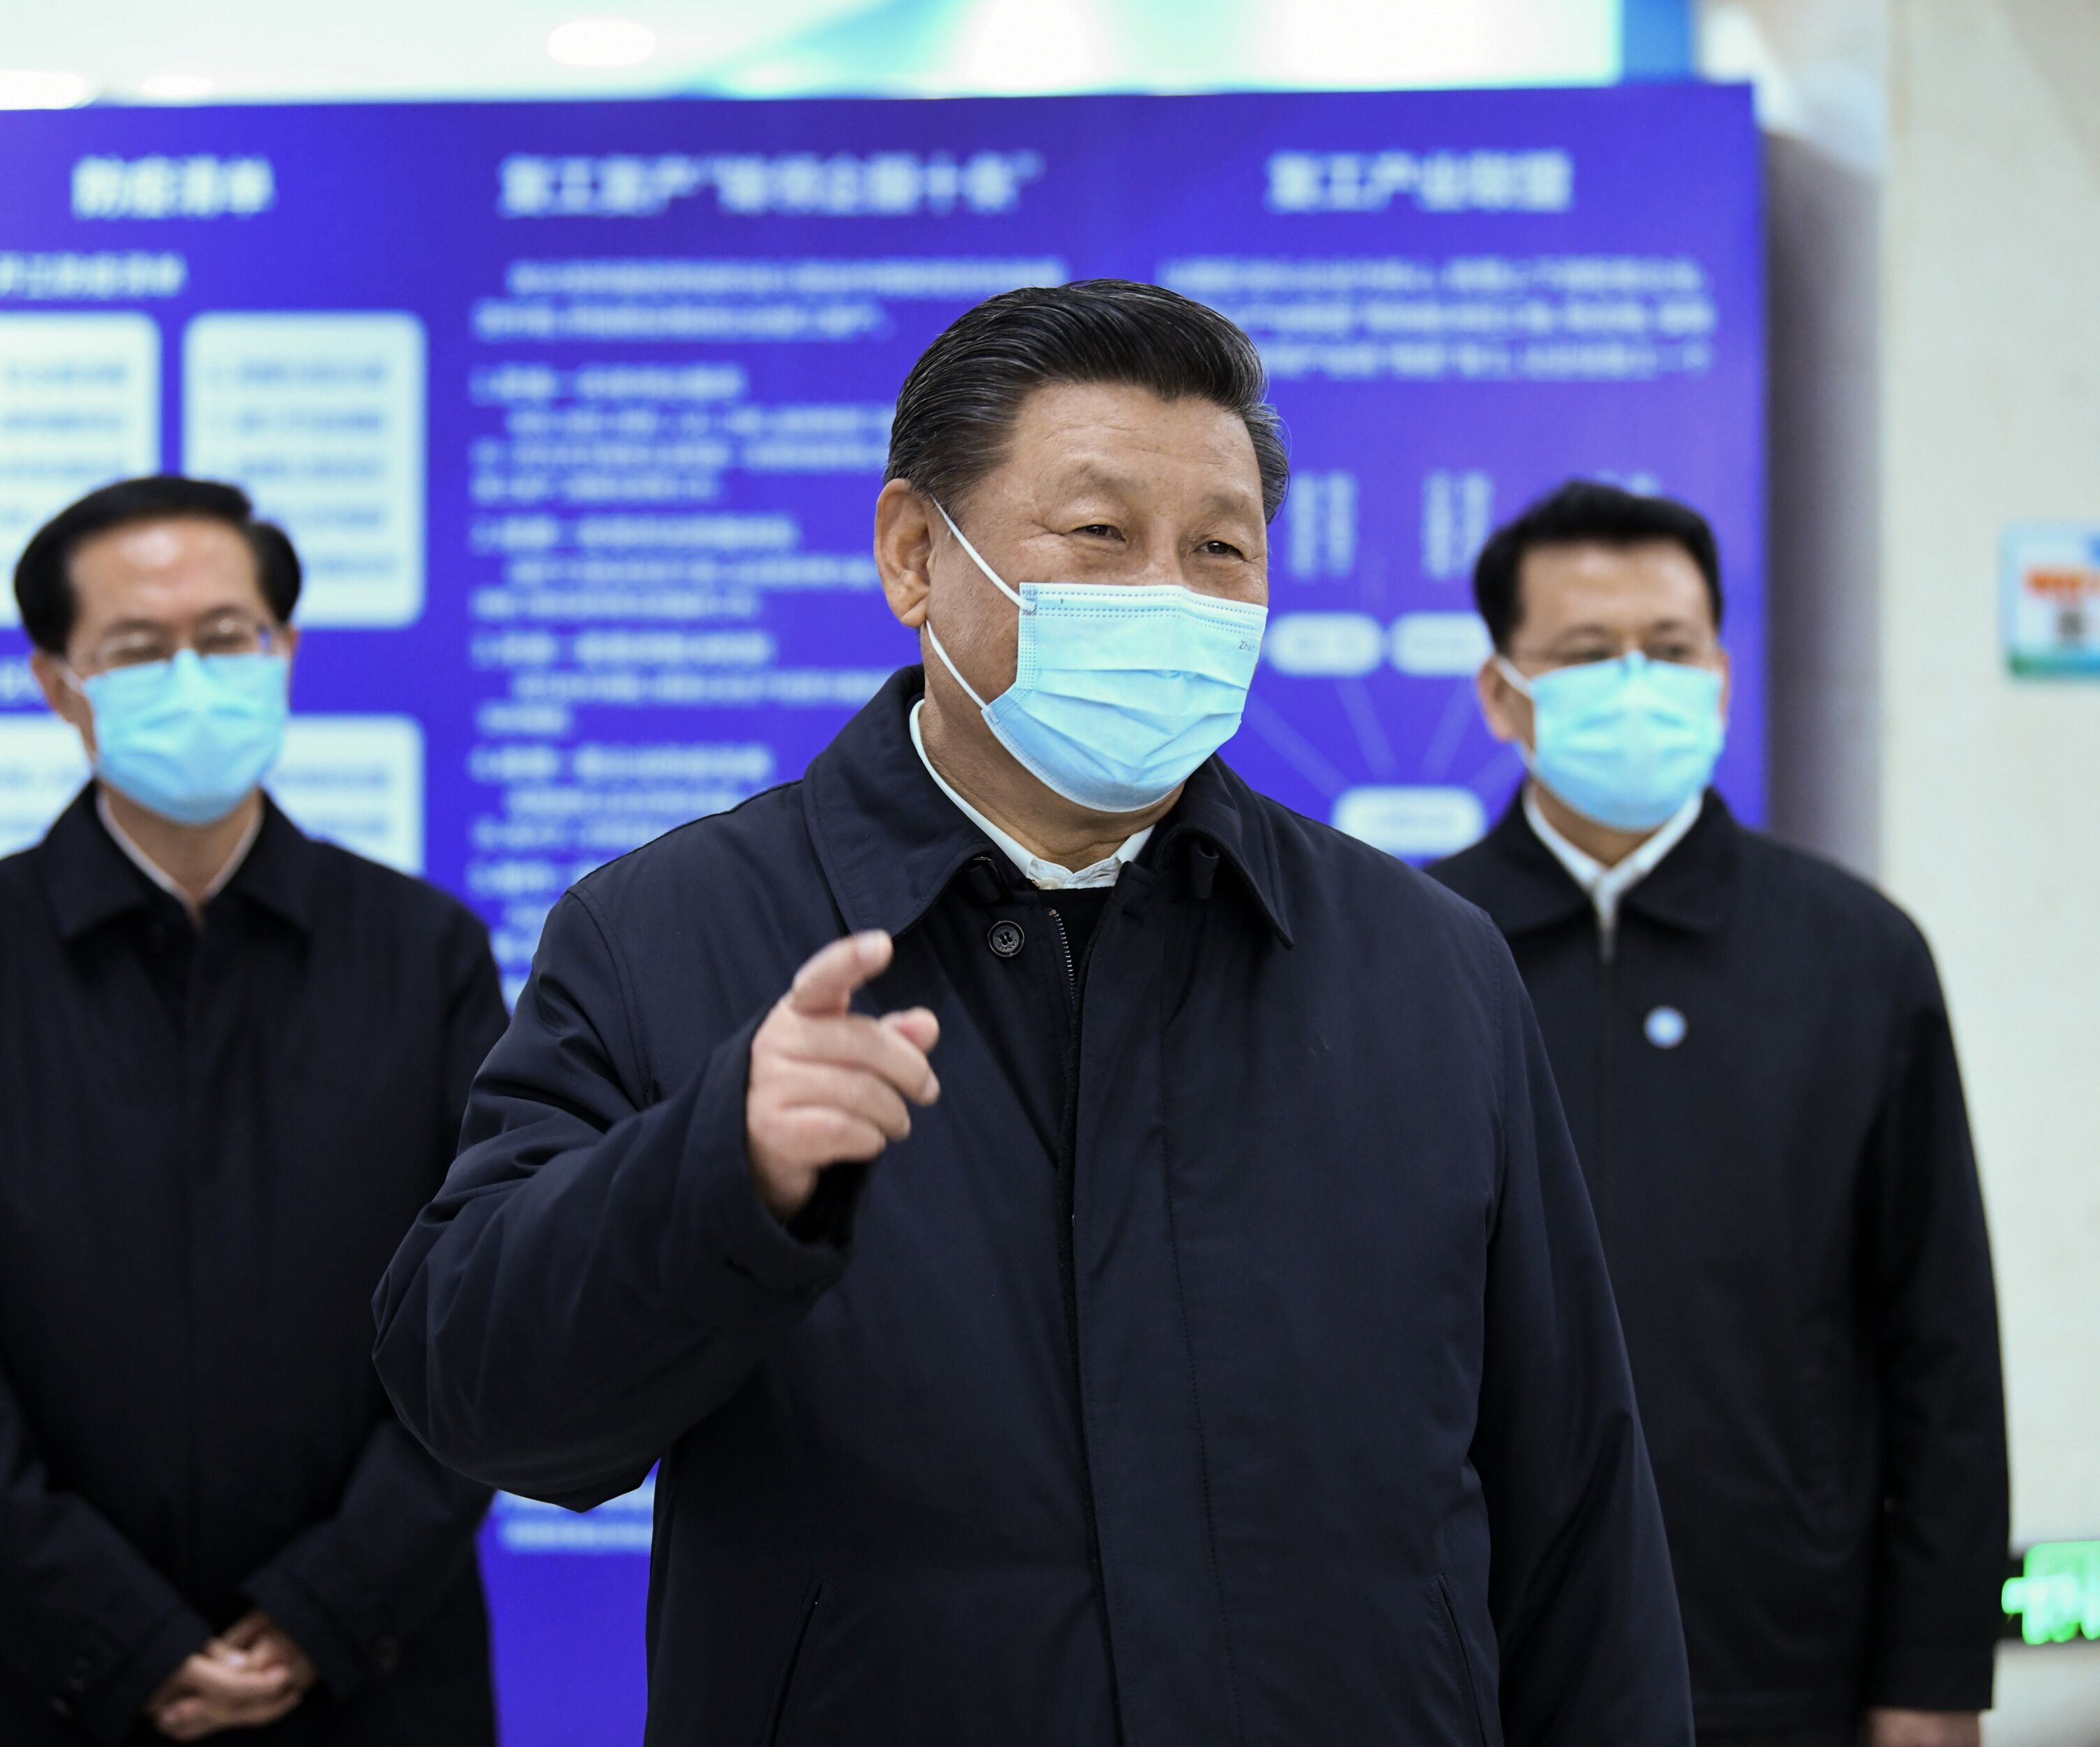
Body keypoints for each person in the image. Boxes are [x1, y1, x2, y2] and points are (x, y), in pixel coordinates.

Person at [375, 281, 1695, 1744]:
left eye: (1220, 550)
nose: (1169, 596)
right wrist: (715, 1178)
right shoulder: (669, 935)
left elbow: (1577, 1510)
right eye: (1100, 535)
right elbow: (479, 1394)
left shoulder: (1425, 966)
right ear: (913, 555)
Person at [1429, 481, 2008, 1747]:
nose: (1636, 684)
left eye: (1671, 648)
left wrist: (1935, 1672)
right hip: (1475, 1661)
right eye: (1588, 653)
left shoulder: (1855, 955)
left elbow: (1942, 1341)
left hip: (1784, 1666)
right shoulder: (1410, 953)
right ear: (1502, 694)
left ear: (1722, 678)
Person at [0, 478, 505, 1745]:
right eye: (135, 649)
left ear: (282, 651)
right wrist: (115, 1635)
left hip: (377, 1675)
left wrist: (327, 1608)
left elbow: (488, 1309)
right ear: (59, 684)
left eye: (226, 637)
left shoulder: (422, 953)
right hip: (38, 1674)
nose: (191, 678)